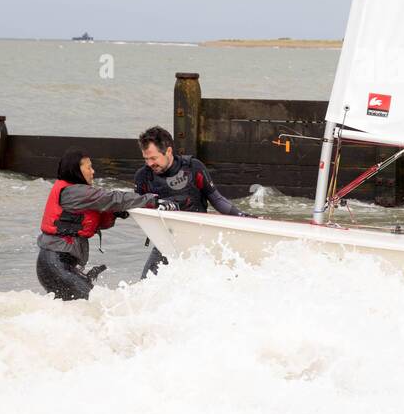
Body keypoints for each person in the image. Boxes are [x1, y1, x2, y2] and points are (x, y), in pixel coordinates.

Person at [36, 147, 171, 301]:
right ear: (75, 170)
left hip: (54, 265)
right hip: (55, 265)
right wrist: (152, 200)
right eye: (88, 167)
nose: (93, 171)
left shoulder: (76, 193)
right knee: (90, 305)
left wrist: (115, 213)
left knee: (78, 308)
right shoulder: (73, 192)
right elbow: (112, 197)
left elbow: (98, 221)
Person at [134, 125, 251, 278]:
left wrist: (243, 217)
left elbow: (217, 199)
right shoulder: (143, 177)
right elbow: (137, 207)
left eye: (153, 158)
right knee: (145, 285)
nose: (149, 164)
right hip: (165, 243)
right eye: (146, 159)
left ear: (168, 151)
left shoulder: (193, 168)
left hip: (200, 241)